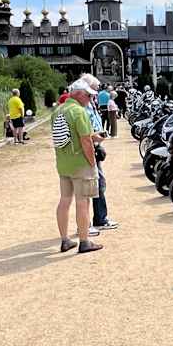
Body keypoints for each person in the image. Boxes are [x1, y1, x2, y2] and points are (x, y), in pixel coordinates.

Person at [51, 79, 103, 254]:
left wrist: (92, 136)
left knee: (65, 200)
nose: (90, 98)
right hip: (81, 163)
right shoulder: (78, 112)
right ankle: (84, 240)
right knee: (83, 202)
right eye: (88, 95)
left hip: (63, 162)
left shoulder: (59, 110)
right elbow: (85, 141)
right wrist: (92, 162)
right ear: (79, 94)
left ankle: (65, 239)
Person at [79, 74, 119, 232]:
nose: (96, 92)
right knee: (93, 185)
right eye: (94, 89)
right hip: (89, 146)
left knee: (98, 183)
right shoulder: (82, 106)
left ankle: (99, 218)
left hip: (94, 144)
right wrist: (95, 138)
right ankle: (92, 222)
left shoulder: (90, 103)